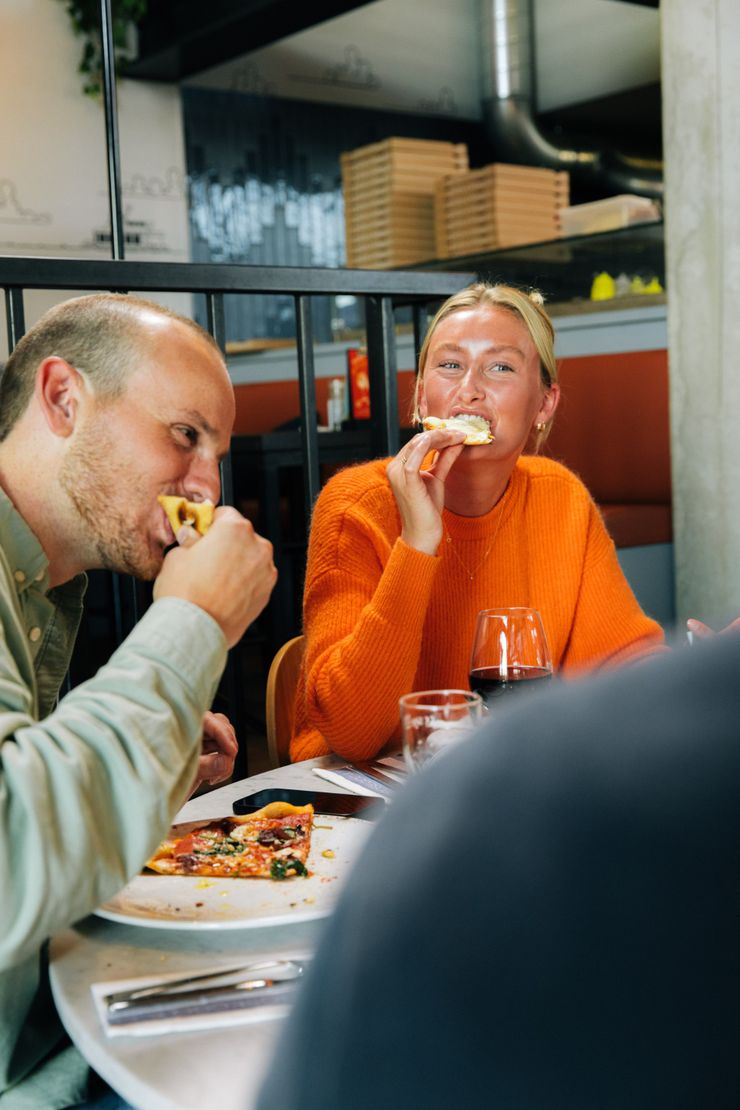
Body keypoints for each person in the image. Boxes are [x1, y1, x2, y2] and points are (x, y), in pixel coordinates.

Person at [258, 627, 740, 1110]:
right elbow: (353, 729)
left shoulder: (489, 804)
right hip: (374, 846)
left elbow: (630, 655)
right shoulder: (466, 812)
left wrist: (676, 679)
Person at [0, 293, 277, 1108]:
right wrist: (192, 625)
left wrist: (147, 766)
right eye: (185, 434)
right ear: (63, 398)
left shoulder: (43, 590)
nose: (207, 486)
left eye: (216, 454)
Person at [291, 282, 664, 763]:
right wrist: (417, 544)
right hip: (360, 796)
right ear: (421, 397)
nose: (468, 390)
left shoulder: (561, 498)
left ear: (544, 404)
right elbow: (352, 733)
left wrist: (704, 676)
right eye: (450, 365)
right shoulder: (356, 505)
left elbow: (622, 662)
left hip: (509, 776)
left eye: (500, 367)